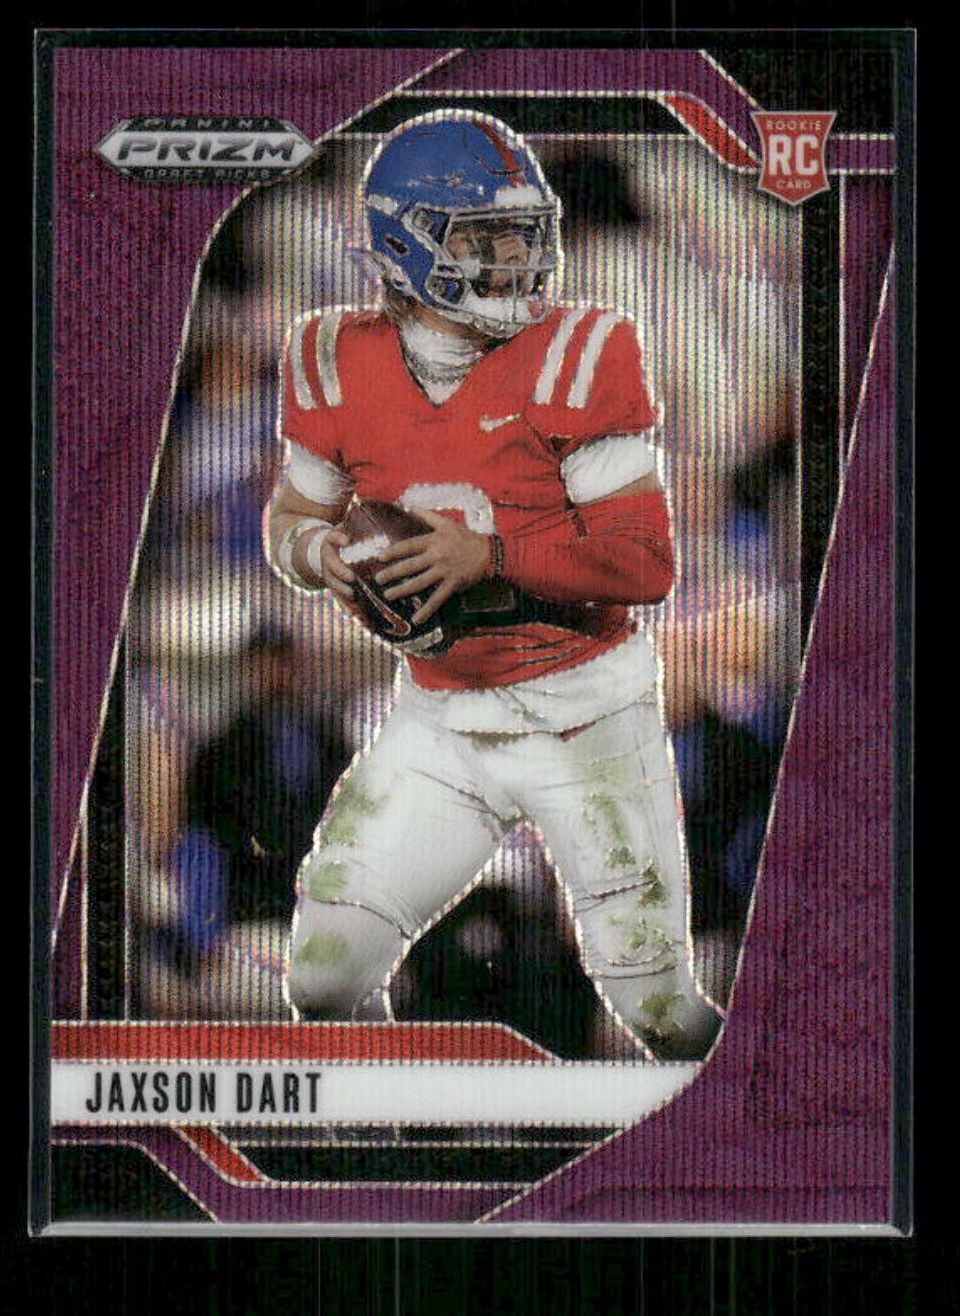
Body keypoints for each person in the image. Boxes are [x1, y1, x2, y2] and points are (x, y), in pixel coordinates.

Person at [264, 111, 722, 1060]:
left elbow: (646, 563)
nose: (516, 259)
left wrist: (491, 558)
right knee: (323, 974)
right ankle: (388, 1131)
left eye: (522, 233)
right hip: (443, 719)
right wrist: (323, 557)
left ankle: (780, 1129)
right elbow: (293, 518)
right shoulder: (332, 357)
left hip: (584, 715)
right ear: (404, 243)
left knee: (659, 1011)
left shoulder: (582, 351)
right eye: (485, 238)